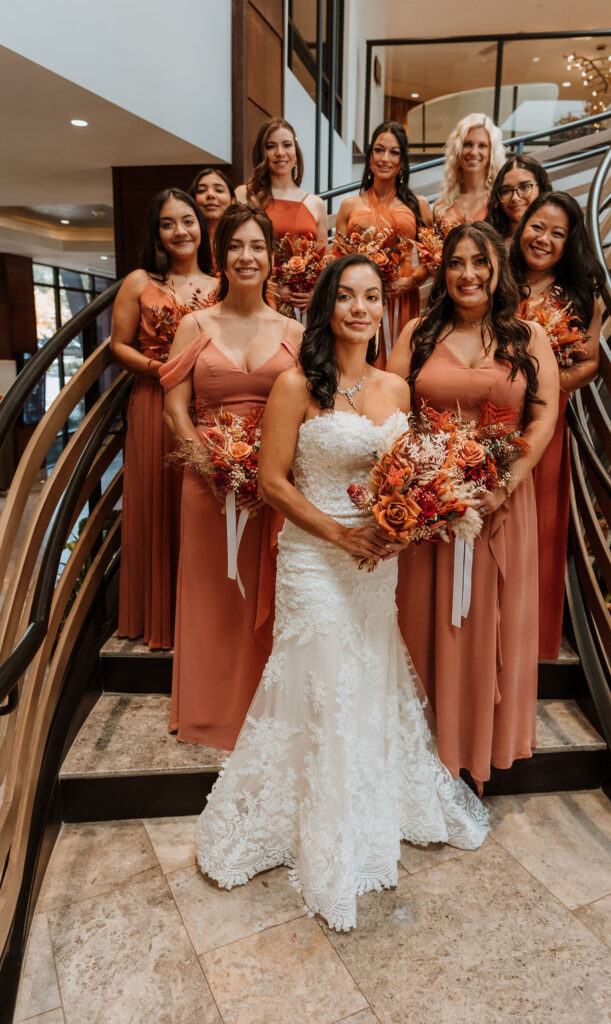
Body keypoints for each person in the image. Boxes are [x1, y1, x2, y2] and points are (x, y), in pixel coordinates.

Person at [194, 254, 489, 931]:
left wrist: (406, 526)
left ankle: (370, 807)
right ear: (325, 306)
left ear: (381, 308)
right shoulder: (298, 384)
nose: (359, 308)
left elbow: (408, 478)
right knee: (323, 678)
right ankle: (324, 841)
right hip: (313, 559)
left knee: (366, 679)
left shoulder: (396, 388)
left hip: (376, 563)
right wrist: (339, 534)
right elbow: (272, 482)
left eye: (370, 297)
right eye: (346, 296)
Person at [387, 222, 559, 792]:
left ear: (497, 270)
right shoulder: (417, 331)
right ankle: (421, 753)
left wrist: (505, 483)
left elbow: (542, 418)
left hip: (499, 504)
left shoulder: (528, 337)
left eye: (479, 262)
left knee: (489, 623)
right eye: (456, 263)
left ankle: (477, 749)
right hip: (428, 505)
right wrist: (416, 476)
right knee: (421, 618)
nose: (467, 274)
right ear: (444, 272)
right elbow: (387, 409)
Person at [161, 204, 302, 748]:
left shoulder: (293, 330)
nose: (247, 256)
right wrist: (213, 468)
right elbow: (176, 406)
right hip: (205, 483)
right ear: (221, 257)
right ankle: (205, 713)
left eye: (257, 247)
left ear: (272, 257)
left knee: (265, 597)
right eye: (236, 246)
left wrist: (263, 474)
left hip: (271, 487)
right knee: (210, 594)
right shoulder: (195, 325)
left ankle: (260, 713)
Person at [112, 188, 217, 650]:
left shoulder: (219, 284)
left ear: (202, 226)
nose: (181, 231)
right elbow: (117, 346)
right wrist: (162, 369)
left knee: (198, 498)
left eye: (188, 220)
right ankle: (156, 616)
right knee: (157, 499)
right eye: (169, 223)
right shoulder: (139, 281)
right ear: (157, 232)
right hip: (154, 399)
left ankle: (201, 612)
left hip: (206, 405)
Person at [510, 192, 603, 660]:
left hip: (548, 421)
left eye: (557, 233)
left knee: (540, 531)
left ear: (569, 244)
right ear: (522, 226)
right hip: (495, 418)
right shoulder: (498, 280)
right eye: (537, 227)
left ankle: (531, 643)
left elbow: (589, 363)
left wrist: (543, 386)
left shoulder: (581, 296)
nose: (543, 239)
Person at [335, 121, 432, 367]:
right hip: (360, 300)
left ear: (402, 161)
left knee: (400, 363)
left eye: (394, 152)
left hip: (402, 298)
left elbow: (430, 259)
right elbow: (337, 259)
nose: (385, 158)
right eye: (379, 150)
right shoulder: (349, 206)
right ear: (370, 157)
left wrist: (411, 281)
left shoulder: (418, 205)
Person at [236, 117, 328, 316]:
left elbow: (323, 262)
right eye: (271, 146)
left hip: (306, 309)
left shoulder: (315, 203)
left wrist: (314, 294)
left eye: (287, 145)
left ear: (295, 152)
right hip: (260, 302)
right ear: (263, 153)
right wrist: (272, 289)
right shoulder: (246, 196)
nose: (280, 152)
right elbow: (236, 252)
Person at [433, 114, 505, 233]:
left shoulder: (500, 200)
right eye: (468, 144)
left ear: (491, 152)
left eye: (482, 146)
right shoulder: (442, 205)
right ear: (457, 149)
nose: (474, 152)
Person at [486, 155, 552, 248]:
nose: (515, 198)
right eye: (506, 190)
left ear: (541, 188)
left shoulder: (555, 238)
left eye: (524, 187)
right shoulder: (488, 241)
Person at [188, 167, 236, 245]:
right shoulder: (186, 238)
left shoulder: (242, 235)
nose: (210, 194)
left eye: (219, 190)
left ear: (233, 201)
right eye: (202, 190)